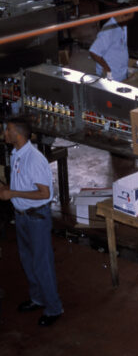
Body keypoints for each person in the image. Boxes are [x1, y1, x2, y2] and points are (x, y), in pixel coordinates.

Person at [0, 117, 63, 327]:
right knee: (28, 260)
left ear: (18, 134)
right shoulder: (17, 153)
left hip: (36, 218)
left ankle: (54, 308)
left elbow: (45, 194)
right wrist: (8, 188)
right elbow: (21, 181)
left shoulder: (34, 159)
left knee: (41, 263)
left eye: (7, 130)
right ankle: (38, 298)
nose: (4, 133)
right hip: (22, 216)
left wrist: (12, 193)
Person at [89, 12, 134, 81]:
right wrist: (108, 69)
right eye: (129, 19)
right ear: (122, 16)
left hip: (121, 74)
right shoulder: (109, 30)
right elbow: (94, 52)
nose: (130, 21)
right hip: (112, 78)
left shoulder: (123, 26)